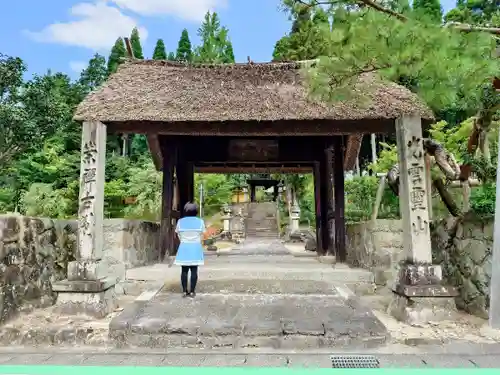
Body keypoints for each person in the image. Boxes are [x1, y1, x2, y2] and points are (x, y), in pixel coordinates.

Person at [174, 202, 205, 297]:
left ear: (185, 211)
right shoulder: (200, 222)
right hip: (195, 247)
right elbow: (202, 235)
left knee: (184, 270)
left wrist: (183, 240)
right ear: (196, 211)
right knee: (194, 270)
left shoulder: (180, 222)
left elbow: (178, 234)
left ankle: (184, 291)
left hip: (184, 247)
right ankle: (192, 291)